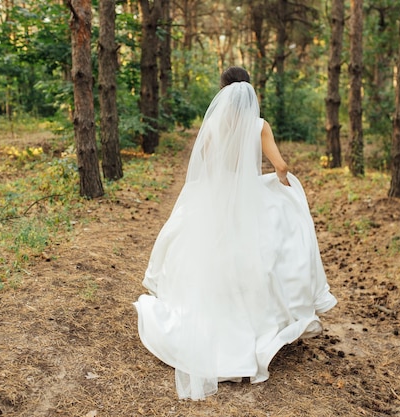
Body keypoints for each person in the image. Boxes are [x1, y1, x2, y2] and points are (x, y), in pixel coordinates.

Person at [134, 67, 337, 400]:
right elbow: (281, 167)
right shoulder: (259, 126)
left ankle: (207, 319)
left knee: (209, 256)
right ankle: (257, 325)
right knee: (261, 256)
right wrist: (286, 187)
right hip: (249, 200)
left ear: (223, 92)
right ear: (249, 93)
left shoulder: (214, 124)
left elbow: (205, 161)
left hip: (217, 196)